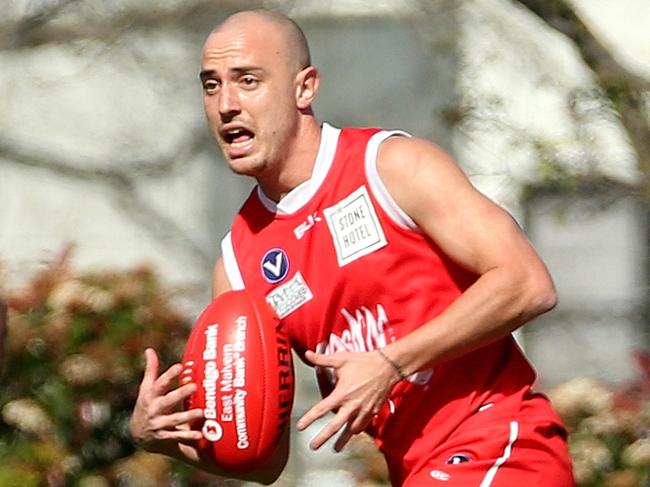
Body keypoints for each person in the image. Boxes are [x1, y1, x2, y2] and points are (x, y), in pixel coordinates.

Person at [130, 9, 575, 486]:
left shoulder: (393, 168)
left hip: (502, 443)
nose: (226, 104)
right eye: (211, 85)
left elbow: (528, 284)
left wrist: (391, 362)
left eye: (248, 80)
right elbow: (264, 459)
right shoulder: (239, 265)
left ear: (305, 88)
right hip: (417, 471)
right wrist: (161, 438)